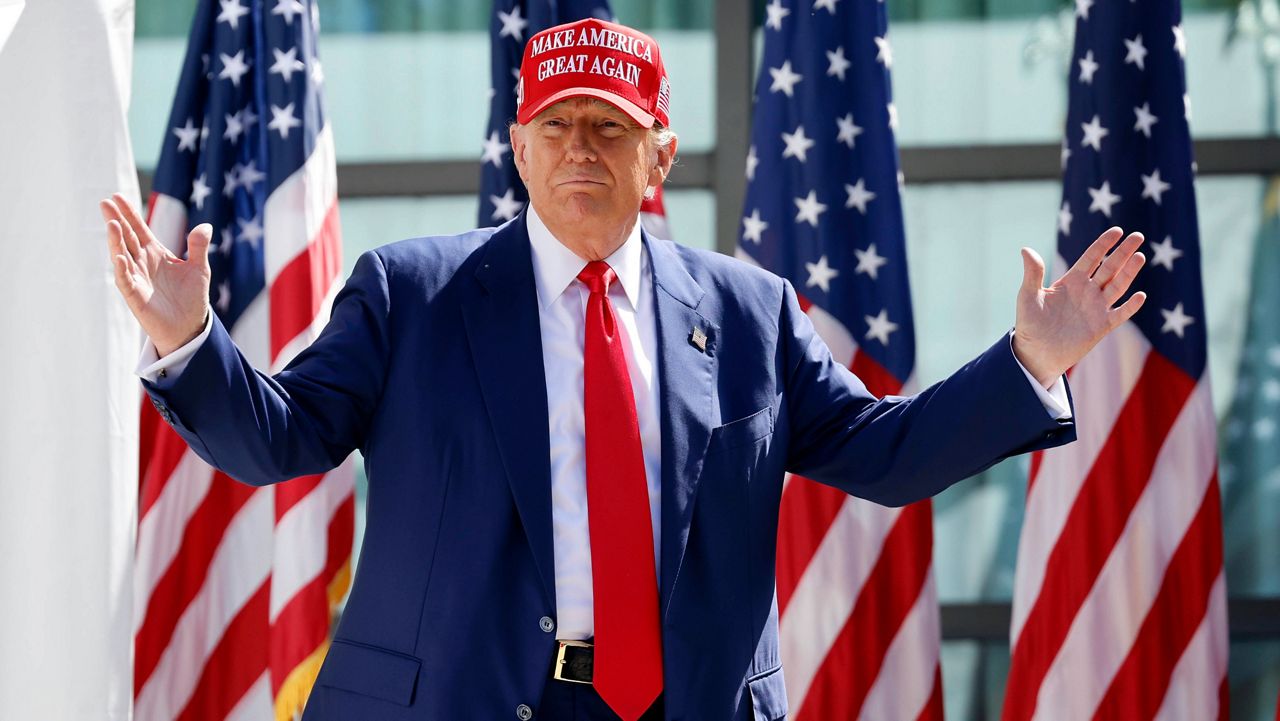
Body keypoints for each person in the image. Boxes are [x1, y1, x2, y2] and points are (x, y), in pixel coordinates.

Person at [100, 17, 1147, 721]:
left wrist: (1029, 362)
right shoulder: (409, 294)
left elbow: (883, 453)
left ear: (662, 154)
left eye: (610, 128)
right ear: (517, 146)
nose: (581, 152)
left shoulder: (748, 312)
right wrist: (191, 343)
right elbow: (277, 436)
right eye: (555, 127)